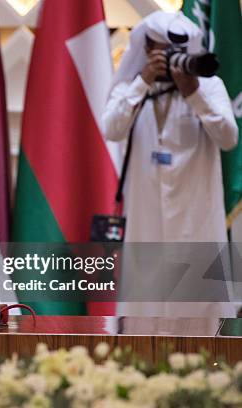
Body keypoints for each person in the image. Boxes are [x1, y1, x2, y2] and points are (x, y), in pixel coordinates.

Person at [101, 11, 238, 317]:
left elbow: (229, 138)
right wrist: (143, 82)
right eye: (158, 50)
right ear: (146, 49)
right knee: (145, 313)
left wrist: (194, 94)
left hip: (196, 221)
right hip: (145, 222)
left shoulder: (208, 86)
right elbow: (111, 129)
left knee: (200, 314)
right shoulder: (133, 87)